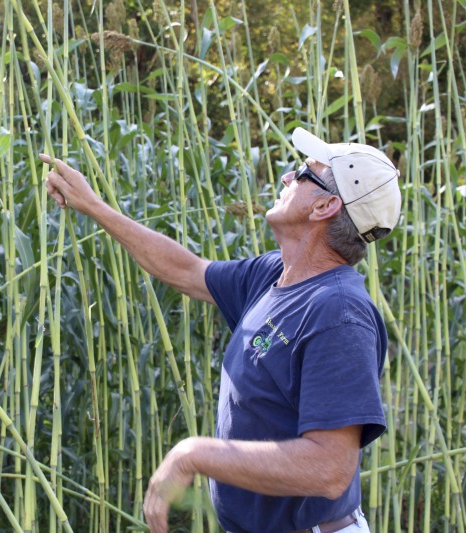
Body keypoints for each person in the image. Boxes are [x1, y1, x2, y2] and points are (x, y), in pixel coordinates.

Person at [40, 126, 400, 533]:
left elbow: (329, 468)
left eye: (302, 174)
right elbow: (188, 270)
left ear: (325, 207)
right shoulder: (276, 275)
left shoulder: (338, 311)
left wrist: (195, 454)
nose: (286, 178)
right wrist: (94, 207)